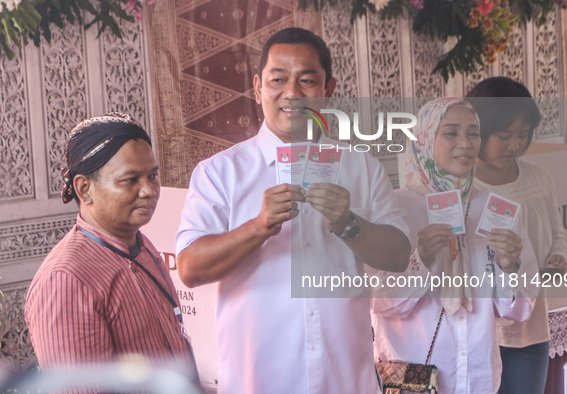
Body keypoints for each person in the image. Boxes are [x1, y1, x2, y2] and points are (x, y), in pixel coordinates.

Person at [175, 27, 411, 394]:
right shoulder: (219, 173)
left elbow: (398, 255)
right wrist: (258, 227)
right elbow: (189, 268)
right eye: (278, 79)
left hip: (345, 377)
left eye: (307, 81)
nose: (292, 93)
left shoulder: (361, 168)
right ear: (258, 87)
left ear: (328, 90)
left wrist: (349, 224)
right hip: (259, 378)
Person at [371, 98, 539, 394]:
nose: (465, 143)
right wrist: (421, 259)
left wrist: (508, 266)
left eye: (473, 133)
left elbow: (519, 310)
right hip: (411, 377)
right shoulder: (394, 209)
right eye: (451, 132)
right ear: (425, 137)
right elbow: (379, 301)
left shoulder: (495, 208)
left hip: (477, 377)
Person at [25, 113, 200, 392]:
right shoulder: (66, 280)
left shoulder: (142, 246)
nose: (149, 191)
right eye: (130, 180)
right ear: (85, 189)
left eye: (153, 176)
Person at [466, 77, 567, 394]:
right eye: (505, 136)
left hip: (530, 328)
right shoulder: (460, 186)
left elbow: (559, 235)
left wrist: (557, 257)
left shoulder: (538, 178)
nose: (515, 145)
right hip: (478, 328)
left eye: (523, 136)